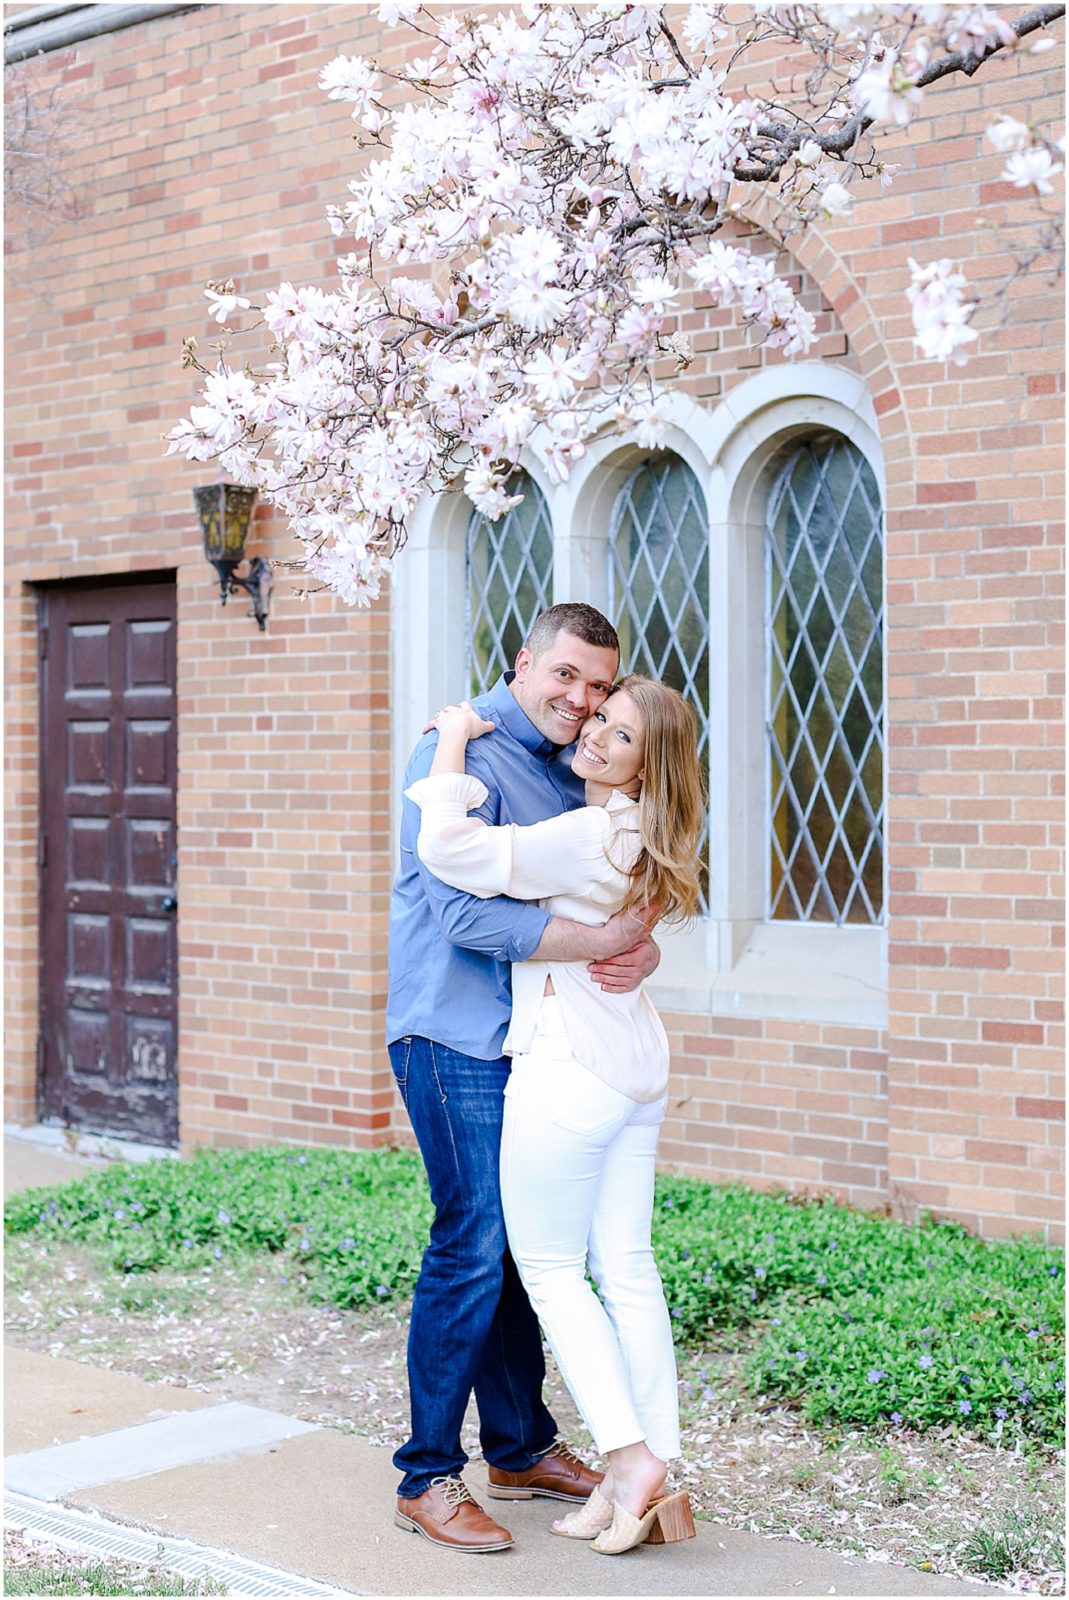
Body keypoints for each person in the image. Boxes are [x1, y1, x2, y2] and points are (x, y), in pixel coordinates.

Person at [407, 674, 705, 1556]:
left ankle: (627, 1456)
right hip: (637, 1069)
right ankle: (647, 1469)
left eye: (618, 737)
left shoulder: (584, 834)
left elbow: (452, 853)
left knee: (547, 1265)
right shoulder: (653, 833)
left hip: (571, 1067)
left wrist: (455, 742)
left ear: (646, 768)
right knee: (628, 1265)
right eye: (599, 723)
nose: (594, 738)